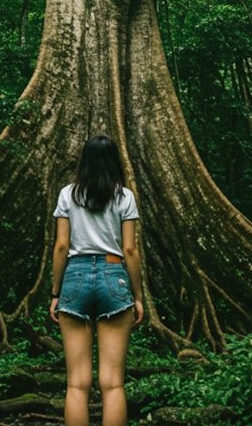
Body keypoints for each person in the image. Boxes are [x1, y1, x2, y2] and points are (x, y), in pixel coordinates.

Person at [50, 135, 144, 426]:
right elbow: (129, 249)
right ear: (114, 161)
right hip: (113, 275)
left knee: (77, 384)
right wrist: (137, 296)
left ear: (84, 161)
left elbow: (61, 246)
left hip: (75, 277)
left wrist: (55, 293)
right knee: (112, 383)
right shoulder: (124, 197)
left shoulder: (68, 194)